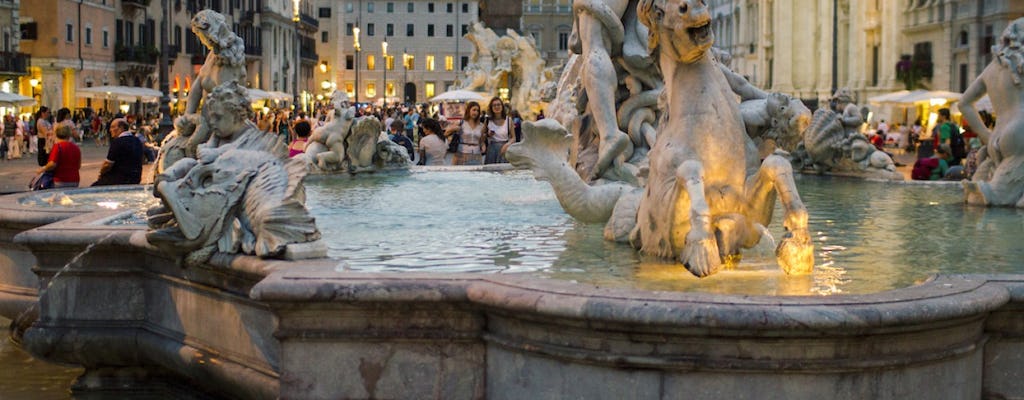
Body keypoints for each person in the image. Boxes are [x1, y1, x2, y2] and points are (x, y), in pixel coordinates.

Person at [93, 118, 144, 186]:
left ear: (121, 128)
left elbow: (107, 164)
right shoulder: (137, 141)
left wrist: (101, 173)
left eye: (113, 127)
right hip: (135, 178)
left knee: (93, 188)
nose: (110, 130)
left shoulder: (118, 142)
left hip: (118, 179)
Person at [444, 101, 485, 165]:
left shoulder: (481, 126)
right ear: (469, 110)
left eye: (477, 111)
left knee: (476, 174)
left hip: (476, 155)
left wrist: (483, 146)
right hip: (462, 154)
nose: (476, 112)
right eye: (474, 110)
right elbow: (446, 133)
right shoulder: (461, 122)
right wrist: (454, 129)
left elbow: (482, 141)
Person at [484, 97, 512, 164]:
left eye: (498, 105)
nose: (496, 107)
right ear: (491, 107)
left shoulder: (508, 120)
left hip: (504, 148)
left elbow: (513, 137)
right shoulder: (488, 120)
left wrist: (508, 144)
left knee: (504, 172)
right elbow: (482, 135)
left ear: (502, 106)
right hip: (492, 149)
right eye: (494, 105)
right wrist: (488, 134)